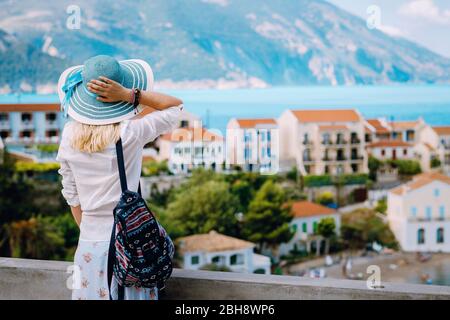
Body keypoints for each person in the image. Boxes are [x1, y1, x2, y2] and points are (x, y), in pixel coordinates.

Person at [56, 55, 183, 300]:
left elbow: (72, 198)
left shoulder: (68, 137)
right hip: (131, 247)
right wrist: (129, 95)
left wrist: (95, 235)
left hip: (89, 248)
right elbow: (174, 107)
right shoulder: (129, 133)